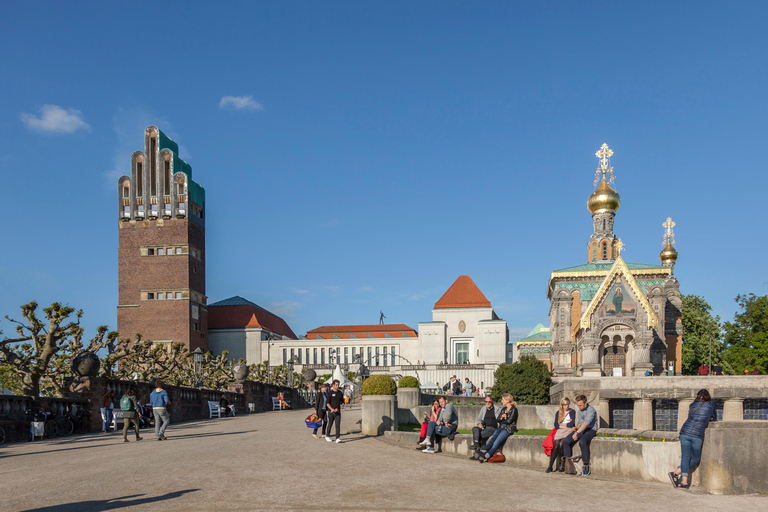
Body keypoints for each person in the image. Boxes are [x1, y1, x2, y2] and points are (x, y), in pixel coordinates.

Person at [669, 389, 717, 489]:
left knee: (685, 457)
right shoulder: (711, 405)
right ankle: (676, 473)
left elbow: (691, 416)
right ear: (708, 396)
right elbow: (714, 419)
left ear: (698, 396)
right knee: (695, 459)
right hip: (697, 434)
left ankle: (683, 481)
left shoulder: (692, 405)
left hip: (685, 432)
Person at [474, 393, 518, 463]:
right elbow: (497, 419)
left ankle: (486, 456)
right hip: (501, 428)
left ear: (507, 400)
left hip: (508, 429)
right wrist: (501, 417)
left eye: (503, 400)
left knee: (496, 442)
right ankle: (483, 451)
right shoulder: (504, 409)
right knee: (492, 439)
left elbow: (510, 421)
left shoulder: (514, 409)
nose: (501, 401)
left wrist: (503, 418)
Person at [563, 394, 597, 476]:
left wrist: (577, 433)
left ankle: (586, 465)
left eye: (580, 405)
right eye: (578, 405)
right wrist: (575, 428)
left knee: (582, 441)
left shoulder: (591, 410)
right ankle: (569, 464)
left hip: (590, 430)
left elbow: (585, 424)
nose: (579, 407)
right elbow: (580, 423)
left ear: (586, 403)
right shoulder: (579, 411)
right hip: (581, 429)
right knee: (566, 441)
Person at [546, 398, 576, 473]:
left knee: (561, 444)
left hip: (568, 430)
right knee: (556, 445)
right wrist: (564, 425)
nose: (566, 406)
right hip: (560, 430)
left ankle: (561, 465)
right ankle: (550, 465)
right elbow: (556, 425)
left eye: (567, 404)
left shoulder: (572, 412)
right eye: (565, 405)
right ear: (562, 405)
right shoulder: (558, 413)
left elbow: (571, 424)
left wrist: (562, 425)